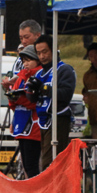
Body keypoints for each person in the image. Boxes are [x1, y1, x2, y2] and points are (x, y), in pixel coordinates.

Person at [27, 34, 77, 170]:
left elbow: (65, 94)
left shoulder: (64, 70)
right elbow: (33, 99)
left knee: (51, 163)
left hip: (58, 118)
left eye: (45, 52)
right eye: (38, 53)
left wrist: (43, 88)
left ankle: (54, 190)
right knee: (44, 159)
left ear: (54, 50)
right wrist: (30, 90)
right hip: (43, 121)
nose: (42, 56)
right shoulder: (38, 74)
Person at [7, 45, 42, 178]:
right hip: (20, 124)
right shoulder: (21, 77)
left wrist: (19, 100)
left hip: (34, 126)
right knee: (26, 164)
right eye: (24, 61)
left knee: (32, 165)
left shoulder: (40, 75)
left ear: (37, 60)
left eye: (29, 60)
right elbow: (13, 102)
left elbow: (36, 102)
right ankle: (31, 192)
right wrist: (13, 98)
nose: (26, 64)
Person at [1, 19, 42, 90]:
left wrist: (19, 83)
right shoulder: (19, 57)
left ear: (37, 35)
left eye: (26, 37)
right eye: (21, 38)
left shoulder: (42, 57)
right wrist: (7, 85)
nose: (23, 41)